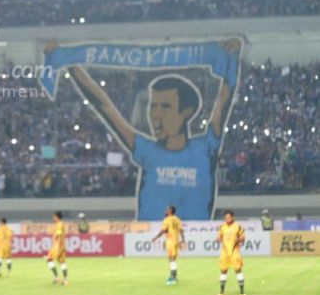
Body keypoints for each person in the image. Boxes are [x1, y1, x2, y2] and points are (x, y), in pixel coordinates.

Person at [52, 39, 241, 220]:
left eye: (165, 107)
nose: (156, 116)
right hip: (150, 240)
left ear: (187, 112)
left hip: (192, 241)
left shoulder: (205, 148)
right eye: (153, 106)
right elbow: (104, 105)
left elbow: (223, 101)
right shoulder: (146, 149)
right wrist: (70, 64)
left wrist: (233, 56)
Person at [151, 205, 185, 285]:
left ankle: (173, 277)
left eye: (167, 209)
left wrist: (155, 238)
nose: (165, 211)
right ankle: (174, 276)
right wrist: (183, 240)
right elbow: (181, 230)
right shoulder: (177, 219)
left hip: (170, 241)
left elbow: (163, 230)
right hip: (176, 241)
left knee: (171, 259)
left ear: (170, 211)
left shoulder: (166, 220)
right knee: (173, 259)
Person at [217, 210, 246, 295]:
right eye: (226, 218)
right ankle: (222, 292)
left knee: (238, 270)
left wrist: (240, 240)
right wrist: (218, 239)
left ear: (233, 217)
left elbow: (243, 237)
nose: (227, 219)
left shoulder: (238, 226)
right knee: (223, 271)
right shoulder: (222, 227)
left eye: (229, 217)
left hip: (234, 252)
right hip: (225, 252)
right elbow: (219, 237)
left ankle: (242, 292)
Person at [46, 211, 68, 285]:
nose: (53, 218)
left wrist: (55, 238)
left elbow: (58, 232)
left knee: (49, 259)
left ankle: (57, 277)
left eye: (54, 216)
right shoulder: (60, 224)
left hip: (58, 246)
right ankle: (65, 280)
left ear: (56, 217)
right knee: (62, 262)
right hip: (61, 245)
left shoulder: (59, 224)